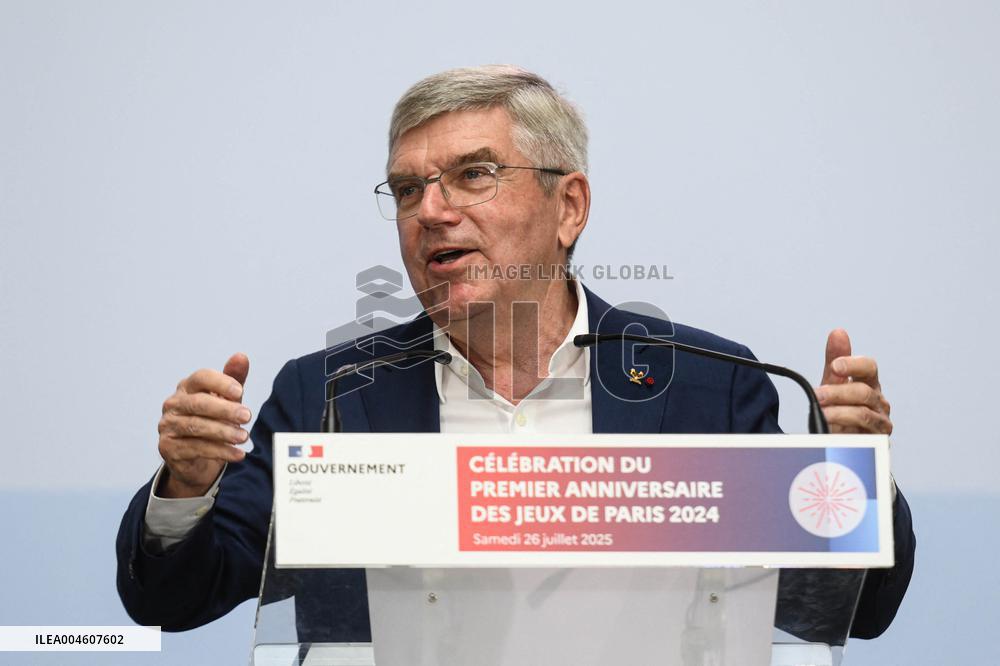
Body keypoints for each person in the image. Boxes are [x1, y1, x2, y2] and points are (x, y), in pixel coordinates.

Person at [116, 65, 914, 641]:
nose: (431, 212)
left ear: (568, 205)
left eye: (474, 175)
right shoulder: (332, 393)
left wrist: (854, 475)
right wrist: (189, 487)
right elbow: (177, 600)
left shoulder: (707, 385)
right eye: (406, 190)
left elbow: (849, 610)